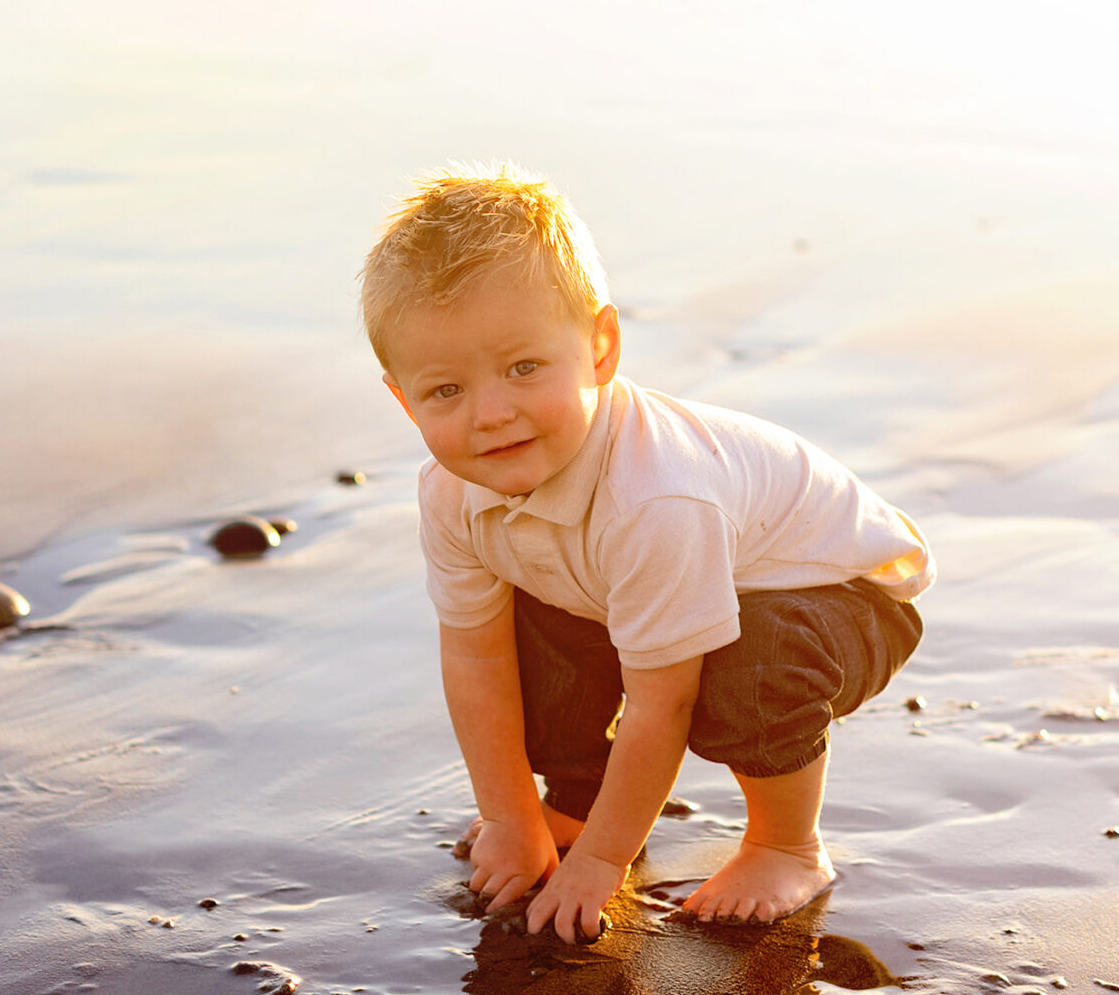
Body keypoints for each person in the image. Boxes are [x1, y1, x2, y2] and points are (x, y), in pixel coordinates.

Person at [360, 169, 931, 944]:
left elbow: (662, 703)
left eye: (524, 367)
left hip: (843, 597)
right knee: (528, 638)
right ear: (403, 400)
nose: (492, 413)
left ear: (600, 347)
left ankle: (787, 843)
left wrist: (601, 863)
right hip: (651, 586)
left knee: (746, 672)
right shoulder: (451, 495)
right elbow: (474, 656)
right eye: (446, 390)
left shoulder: (657, 497)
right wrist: (510, 815)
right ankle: (575, 798)